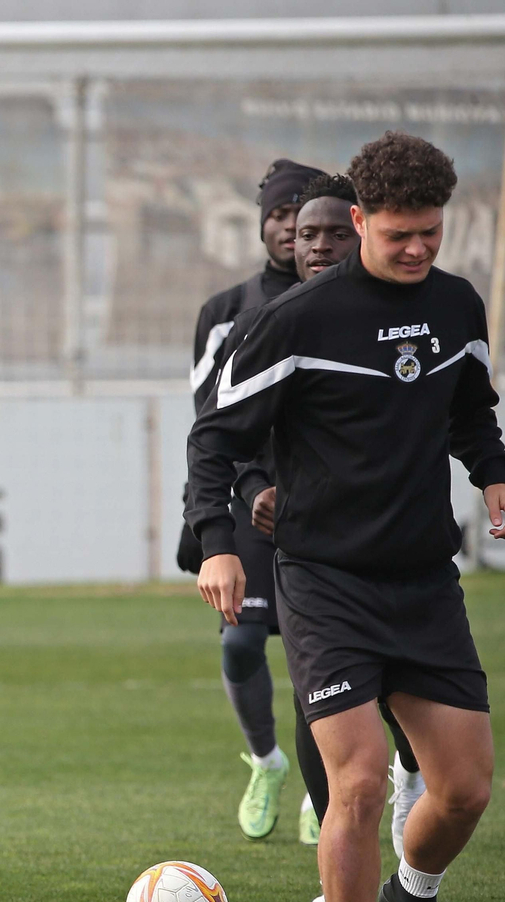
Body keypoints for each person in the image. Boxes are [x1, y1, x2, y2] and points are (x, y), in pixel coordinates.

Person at [187, 132, 505, 902]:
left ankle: (411, 895)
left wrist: (496, 475)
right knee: (362, 779)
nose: (417, 249)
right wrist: (212, 543)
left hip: (423, 581)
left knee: (466, 788)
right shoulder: (298, 320)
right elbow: (216, 437)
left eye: (432, 233)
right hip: (326, 581)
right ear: (362, 221)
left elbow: (471, 415)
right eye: (399, 233)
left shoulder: (457, 307)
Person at [181, 158, 323, 842]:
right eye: (277, 214)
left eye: (302, 215)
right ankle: (267, 762)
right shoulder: (226, 312)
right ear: (263, 223)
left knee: (315, 656)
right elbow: (210, 423)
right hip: (248, 504)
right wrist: (247, 489)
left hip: (322, 507)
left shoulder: (343, 308)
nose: (291, 228)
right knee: (241, 643)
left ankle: (319, 786)